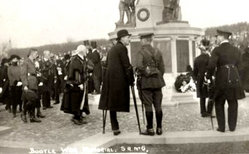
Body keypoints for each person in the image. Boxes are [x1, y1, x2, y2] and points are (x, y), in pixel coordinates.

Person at [207, 30, 245, 132]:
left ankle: (222, 127)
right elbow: (241, 67)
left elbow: (211, 65)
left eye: (218, 36)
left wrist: (209, 76)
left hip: (221, 79)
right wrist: (237, 78)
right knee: (233, 103)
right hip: (234, 78)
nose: (216, 38)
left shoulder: (217, 50)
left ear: (222, 37)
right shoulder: (236, 50)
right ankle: (232, 127)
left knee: (219, 103)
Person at [99, 29, 134, 135]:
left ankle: (115, 127)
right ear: (122, 38)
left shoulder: (112, 49)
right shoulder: (122, 48)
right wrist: (131, 80)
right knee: (115, 103)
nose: (129, 39)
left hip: (109, 81)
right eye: (128, 37)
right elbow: (127, 66)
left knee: (111, 104)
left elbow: (105, 66)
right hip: (118, 81)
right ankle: (115, 127)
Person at [135, 33, 165, 136]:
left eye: (141, 39)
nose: (140, 41)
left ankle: (150, 129)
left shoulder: (141, 52)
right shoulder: (158, 51)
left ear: (144, 40)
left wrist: (147, 73)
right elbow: (162, 69)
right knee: (158, 106)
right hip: (158, 82)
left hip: (146, 83)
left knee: (148, 105)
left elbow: (139, 66)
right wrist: (157, 75)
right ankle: (160, 128)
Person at [61, 45, 88, 125]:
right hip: (76, 84)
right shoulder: (76, 60)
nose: (86, 51)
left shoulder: (80, 59)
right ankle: (76, 117)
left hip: (80, 83)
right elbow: (76, 72)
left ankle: (78, 115)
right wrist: (79, 83)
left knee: (80, 100)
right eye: (85, 50)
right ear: (82, 51)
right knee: (76, 100)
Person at [21, 48, 44, 123]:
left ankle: (32, 116)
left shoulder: (33, 62)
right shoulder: (26, 62)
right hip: (29, 83)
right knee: (31, 99)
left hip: (34, 82)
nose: (37, 55)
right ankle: (24, 112)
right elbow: (23, 74)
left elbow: (33, 72)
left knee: (34, 100)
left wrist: (38, 75)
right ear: (32, 53)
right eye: (36, 54)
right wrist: (25, 85)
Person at [193, 39, 213, 117]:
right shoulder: (211, 58)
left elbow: (195, 71)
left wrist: (195, 79)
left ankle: (203, 112)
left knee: (202, 97)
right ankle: (209, 111)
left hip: (200, 79)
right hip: (210, 78)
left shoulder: (197, 59)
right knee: (211, 96)